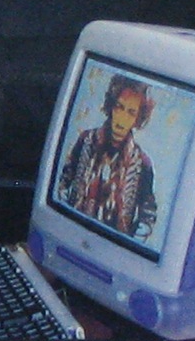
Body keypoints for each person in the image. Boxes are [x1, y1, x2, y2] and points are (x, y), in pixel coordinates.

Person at [57, 73, 157, 240]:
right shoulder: (86, 140)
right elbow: (63, 182)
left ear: (138, 119)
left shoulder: (142, 164)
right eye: (119, 107)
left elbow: (148, 217)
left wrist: (129, 241)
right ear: (111, 106)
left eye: (131, 113)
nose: (121, 120)